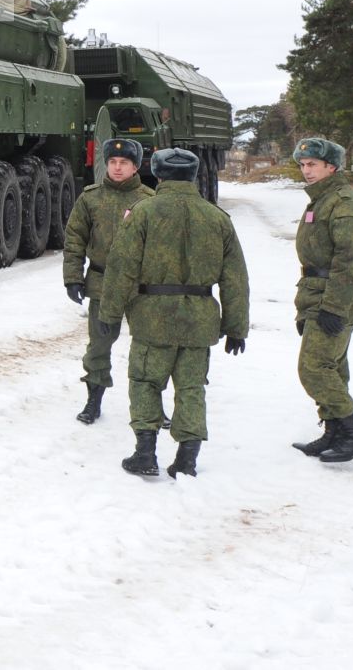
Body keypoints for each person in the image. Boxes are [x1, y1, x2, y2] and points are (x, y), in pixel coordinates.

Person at [97, 147, 249, 479]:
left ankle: (146, 453)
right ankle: (187, 459)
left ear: (159, 175)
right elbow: (235, 278)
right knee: (192, 387)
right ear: (194, 176)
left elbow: (121, 269)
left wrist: (109, 316)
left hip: (152, 317)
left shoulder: (142, 213)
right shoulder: (217, 218)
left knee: (145, 382)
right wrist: (236, 327)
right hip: (199, 319)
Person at [288, 137, 353, 463]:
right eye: (302, 165)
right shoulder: (322, 200)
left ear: (332, 166)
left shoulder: (346, 203)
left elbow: (351, 261)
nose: (306, 171)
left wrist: (333, 307)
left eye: (312, 164)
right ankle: (334, 431)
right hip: (319, 296)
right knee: (333, 367)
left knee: (313, 368)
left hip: (338, 299)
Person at [61, 137, 153, 424]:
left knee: (149, 347)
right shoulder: (91, 198)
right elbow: (75, 239)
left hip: (143, 288)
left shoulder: (150, 200)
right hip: (102, 282)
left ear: (135, 166)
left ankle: (152, 406)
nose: (116, 168)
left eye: (123, 162)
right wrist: (73, 278)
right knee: (99, 345)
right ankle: (93, 400)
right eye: (112, 162)